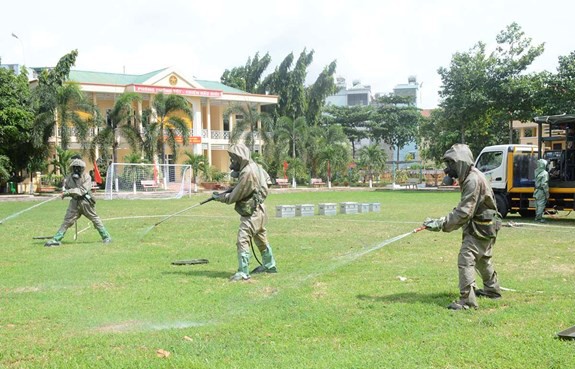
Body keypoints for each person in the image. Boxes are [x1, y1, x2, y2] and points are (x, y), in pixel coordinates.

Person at [422, 144, 502, 310]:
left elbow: (464, 212)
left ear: (461, 162)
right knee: (483, 258)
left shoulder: (472, 180)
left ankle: (467, 301)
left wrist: (441, 224)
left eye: (451, 164)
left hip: (480, 227)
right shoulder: (473, 176)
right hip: (487, 225)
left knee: (466, 259)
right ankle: (492, 290)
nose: (448, 168)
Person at [212, 143, 278, 281]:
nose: (232, 163)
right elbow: (267, 182)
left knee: (242, 239)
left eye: (233, 159)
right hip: (261, 209)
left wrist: (219, 197)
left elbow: (233, 197)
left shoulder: (247, 172)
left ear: (240, 158)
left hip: (252, 213)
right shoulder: (256, 167)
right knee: (260, 238)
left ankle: (243, 271)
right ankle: (269, 264)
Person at [44, 157, 112, 247]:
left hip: (86, 202)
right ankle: (56, 239)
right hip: (74, 203)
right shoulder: (69, 177)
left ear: (82, 168)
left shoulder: (87, 177)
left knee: (95, 219)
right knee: (67, 221)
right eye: (74, 167)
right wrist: (65, 192)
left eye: (78, 167)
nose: (76, 169)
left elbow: (82, 190)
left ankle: (106, 237)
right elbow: (67, 187)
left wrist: (69, 192)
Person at [534, 158, 550, 223]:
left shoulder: (537, 172)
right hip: (541, 191)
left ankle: (537, 217)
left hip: (536, 191)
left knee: (537, 205)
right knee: (541, 205)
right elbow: (544, 184)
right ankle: (538, 218)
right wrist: (547, 193)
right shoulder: (545, 173)